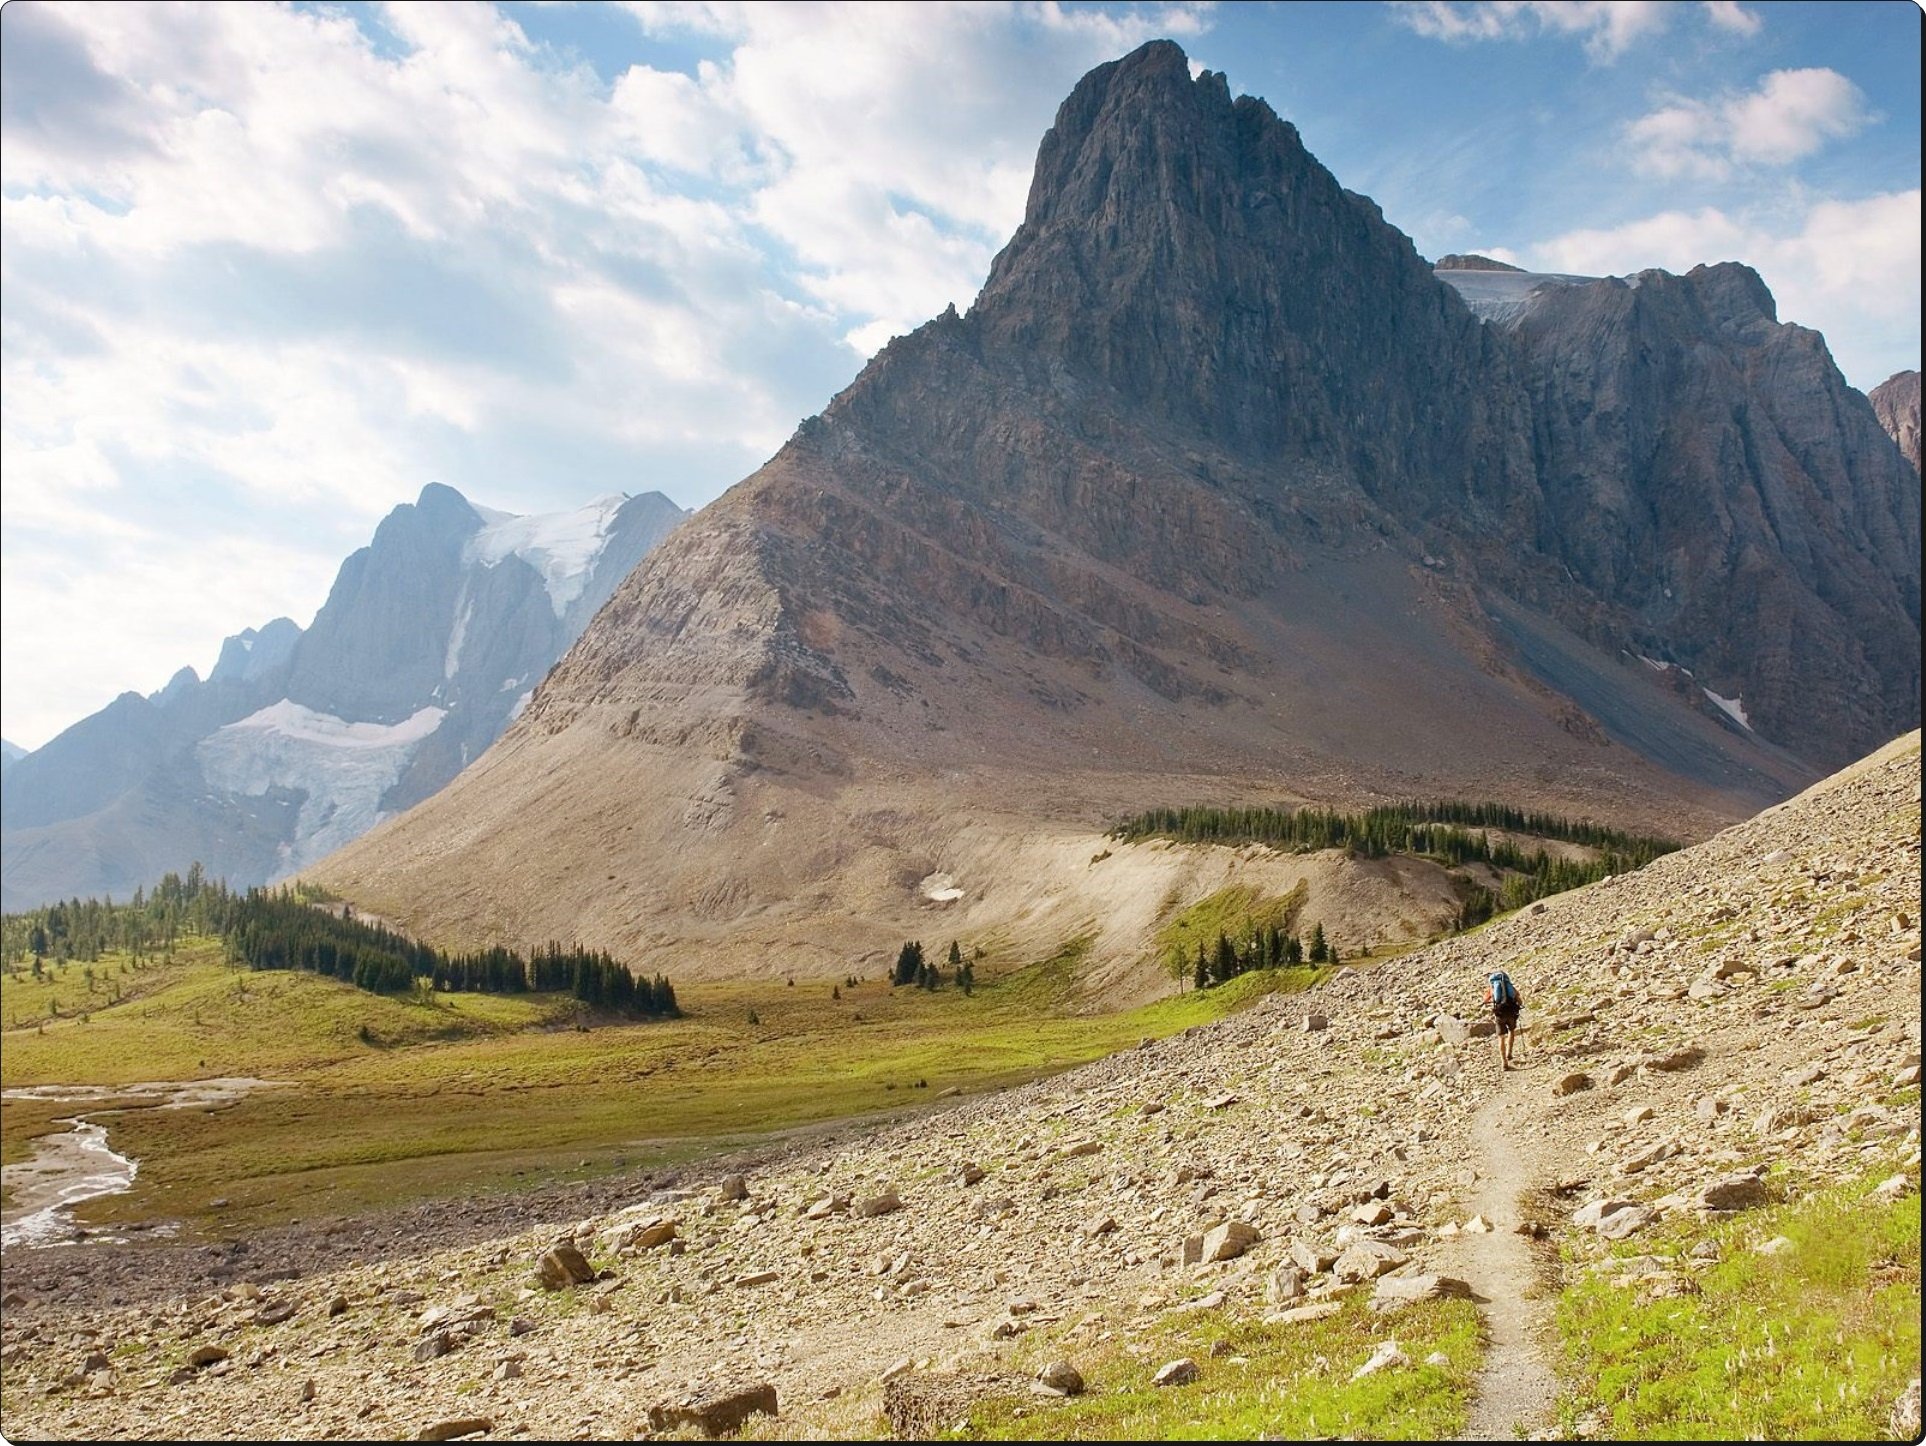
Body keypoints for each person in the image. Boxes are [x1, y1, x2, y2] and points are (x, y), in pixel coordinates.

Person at [1485, 969, 1521, 1070]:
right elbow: (1519, 999)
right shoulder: (1510, 987)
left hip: (1500, 1014)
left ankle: (1504, 1062)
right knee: (1511, 1031)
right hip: (1511, 1012)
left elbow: (1485, 1000)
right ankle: (1509, 1052)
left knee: (1501, 1037)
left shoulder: (1492, 988)